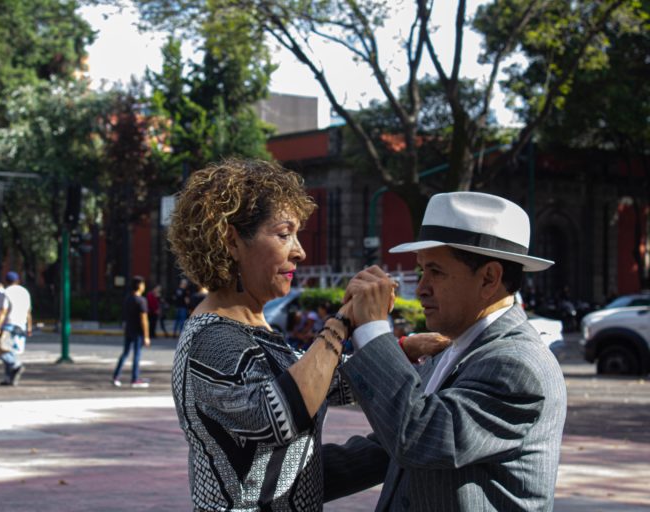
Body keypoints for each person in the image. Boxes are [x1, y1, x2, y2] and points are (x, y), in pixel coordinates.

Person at [166, 158, 448, 511]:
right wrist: (344, 321)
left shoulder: (251, 328)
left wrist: (403, 350)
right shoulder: (213, 338)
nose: (300, 251)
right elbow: (280, 414)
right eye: (284, 234)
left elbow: (327, 382)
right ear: (232, 241)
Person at [340, 191, 567, 511]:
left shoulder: (517, 365)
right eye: (421, 271)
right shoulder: (453, 348)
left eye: (436, 271)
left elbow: (417, 436)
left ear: (489, 278)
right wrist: (276, 484)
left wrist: (373, 330)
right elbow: (385, 451)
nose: (420, 288)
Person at [0, 271, 32, 386]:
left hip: (10, 324)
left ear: (6, 281)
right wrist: (29, 326)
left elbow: (3, 311)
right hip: (21, 325)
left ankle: (16, 365)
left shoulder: (7, 292)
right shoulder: (25, 292)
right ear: (18, 280)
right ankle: (9, 378)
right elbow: (28, 311)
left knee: (2, 350)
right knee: (12, 351)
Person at [112, 275, 151, 388]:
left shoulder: (128, 299)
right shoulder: (142, 301)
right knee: (137, 355)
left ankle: (116, 376)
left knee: (125, 353)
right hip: (138, 332)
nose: (144, 286)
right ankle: (135, 379)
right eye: (143, 284)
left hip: (129, 330)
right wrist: (147, 336)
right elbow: (144, 320)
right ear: (139, 286)